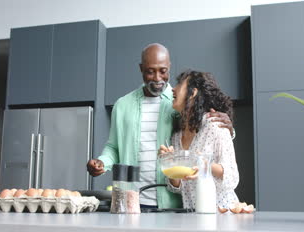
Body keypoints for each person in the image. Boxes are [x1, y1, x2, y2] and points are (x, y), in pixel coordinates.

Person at [87, 43, 235, 209]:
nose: (157, 78)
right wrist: (102, 162)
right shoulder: (122, 105)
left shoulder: (178, 103)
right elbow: (113, 146)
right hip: (131, 198)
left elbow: (202, 127)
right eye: (150, 71)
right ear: (141, 69)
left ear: (169, 68)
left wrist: (228, 128)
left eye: (163, 71)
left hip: (173, 202)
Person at [159, 69, 239, 210]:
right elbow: (178, 188)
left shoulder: (215, 125)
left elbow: (232, 178)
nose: (173, 89)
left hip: (223, 215)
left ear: (193, 93)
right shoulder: (177, 137)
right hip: (195, 217)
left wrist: (201, 162)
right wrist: (170, 163)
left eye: (179, 84)